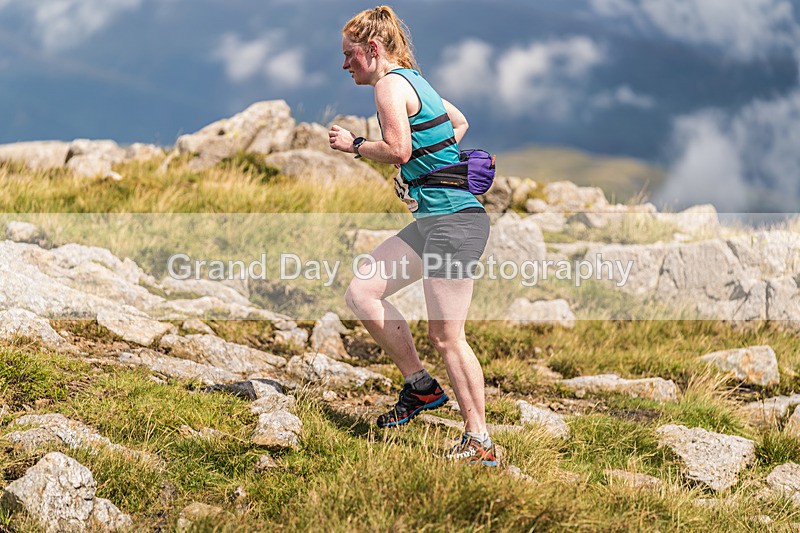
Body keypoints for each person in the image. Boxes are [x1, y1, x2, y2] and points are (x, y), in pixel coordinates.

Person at [329, 6, 496, 467]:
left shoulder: (387, 86)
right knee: (363, 292)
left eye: (349, 55)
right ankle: (421, 387)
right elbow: (457, 122)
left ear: (373, 50)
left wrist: (355, 146)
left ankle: (480, 442)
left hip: (453, 225)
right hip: (434, 222)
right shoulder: (416, 81)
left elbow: (399, 149)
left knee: (447, 336)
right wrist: (432, 174)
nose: (345, 65)